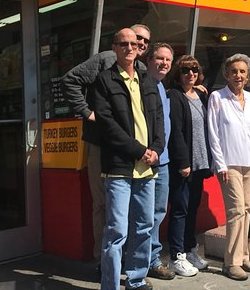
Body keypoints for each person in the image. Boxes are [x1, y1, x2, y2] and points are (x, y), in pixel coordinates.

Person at [61, 23, 150, 279]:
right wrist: (88, 113)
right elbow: (71, 80)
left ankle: (127, 262)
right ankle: (104, 261)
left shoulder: (141, 70)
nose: (139, 45)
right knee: (104, 205)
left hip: (131, 150)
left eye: (143, 41)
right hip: (102, 146)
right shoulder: (107, 59)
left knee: (132, 210)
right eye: (135, 40)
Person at [92, 28, 164, 290]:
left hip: (147, 168)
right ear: (114, 47)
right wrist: (139, 150)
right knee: (116, 232)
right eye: (123, 43)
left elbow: (158, 120)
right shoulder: (104, 80)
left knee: (144, 226)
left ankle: (136, 280)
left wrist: (156, 148)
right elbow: (107, 126)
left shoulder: (147, 80)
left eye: (133, 43)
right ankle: (109, 286)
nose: (129, 48)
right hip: (119, 169)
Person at [207, 53, 250, 281]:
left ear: (248, 75)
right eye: (234, 71)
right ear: (226, 74)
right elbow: (213, 133)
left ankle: (243, 256)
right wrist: (220, 163)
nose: (238, 75)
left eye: (242, 71)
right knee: (235, 212)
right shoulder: (218, 97)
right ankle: (231, 263)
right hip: (229, 164)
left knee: (246, 210)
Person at [166, 55, 212, 276]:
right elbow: (175, 132)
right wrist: (183, 162)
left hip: (200, 163)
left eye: (194, 69)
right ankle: (176, 256)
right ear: (178, 73)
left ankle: (189, 249)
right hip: (184, 165)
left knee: (192, 209)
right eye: (185, 70)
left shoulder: (200, 95)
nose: (191, 74)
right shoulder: (175, 96)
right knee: (179, 210)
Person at [144, 43, 177, 281]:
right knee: (143, 215)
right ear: (148, 60)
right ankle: (145, 261)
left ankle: (152, 259)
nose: (164, 63)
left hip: (163, 161)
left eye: (168, 59)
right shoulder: (141, 86)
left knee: (157, 212)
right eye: (159, 58)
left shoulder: (163, 88)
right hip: (146, 160)